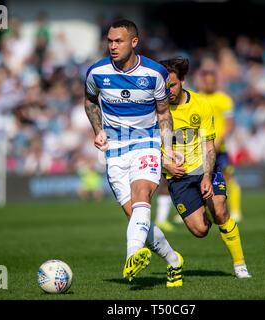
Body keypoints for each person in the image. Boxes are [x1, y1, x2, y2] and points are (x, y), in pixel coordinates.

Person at [84, 19, 184, 287]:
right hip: (115, 151)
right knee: (136, 219)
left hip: (146, 143)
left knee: (142, 195)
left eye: (119, 41)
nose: (113, 46)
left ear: (134, 42)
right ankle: (174, 260)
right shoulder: (97, 72)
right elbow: (90, 100)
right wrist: (98, 129)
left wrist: (169, 148)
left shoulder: (155, 73)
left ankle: (132, 256)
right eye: (110, 41)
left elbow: (163, 112)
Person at [159, 57, 251, 279]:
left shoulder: (201, 105)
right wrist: (166, 163)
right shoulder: (155, 109)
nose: (168, 91)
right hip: (177, 176)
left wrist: (207, 176)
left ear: (182, 81)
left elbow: (209, 145)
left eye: (172, 85)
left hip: (203, 169)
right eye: (164, 86)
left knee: (220, 211)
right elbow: (146, 145)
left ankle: (240, 266)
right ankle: (203, 209)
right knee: (200, 230)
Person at [198, 69, 243, 222]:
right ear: (202, 82)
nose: (209, 84)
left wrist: (217, 142)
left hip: (220, 147)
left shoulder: (224, 99)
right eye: (207, 81)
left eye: (212, 81)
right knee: (197, 179)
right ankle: (197, 212)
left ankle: (236, 210)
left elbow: (229, 125)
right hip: (199, 147)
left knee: (228, 177)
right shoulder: (197, 99)